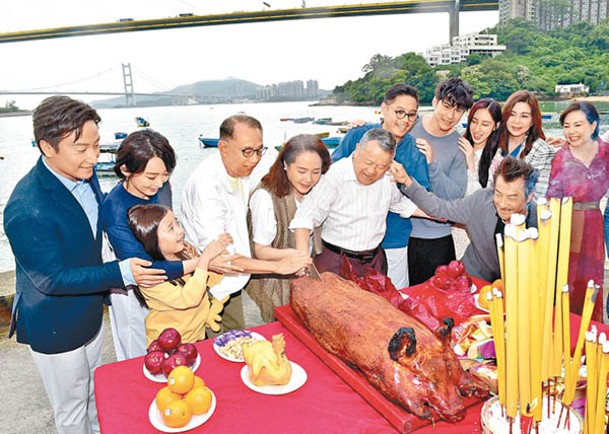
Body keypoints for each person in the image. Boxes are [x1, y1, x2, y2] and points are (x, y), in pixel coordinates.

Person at [3, 96, 165, 434]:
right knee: (72, 411)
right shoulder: (26, 207)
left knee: (94, 393)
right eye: (81, 149)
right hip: (56, 324)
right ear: (47, 147)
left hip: (89, 313)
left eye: (96, 145)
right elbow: (52, 279)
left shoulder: (82, 172)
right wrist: (120, 272)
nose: (93, 157)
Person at [99, 129, 238, 360]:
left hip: (176, 277)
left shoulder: (161, 185)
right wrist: (203, 262)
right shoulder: (115, 213)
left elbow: (169, 226)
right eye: (151, 177)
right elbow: (147, 269)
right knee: (139, 350)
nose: (159, 183)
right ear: (126, 170)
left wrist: (190, 252)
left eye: (165, 174)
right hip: (135, 285)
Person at [181, 114, 311, 334]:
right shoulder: (207, 187)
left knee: (236, 338)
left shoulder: (237, 169)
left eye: (260, 150)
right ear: (223, 148)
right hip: (208, 286)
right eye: (247, 151)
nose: (254, 159)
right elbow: (221, 259)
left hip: (232, 283)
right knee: (215, 349)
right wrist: (279, 267)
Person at [331, 83, 429, 288]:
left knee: (393, 302)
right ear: (384, 108)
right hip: (347, 244)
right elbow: (329, 176)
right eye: (399, 112)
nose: (405, 121)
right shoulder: (357, 136)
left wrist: (404, 181)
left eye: (411, 115)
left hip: (394, 241)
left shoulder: (415, 151)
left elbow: (423, 198)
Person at [290, 128, 423, 277]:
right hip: (336, 261)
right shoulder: (334, 177)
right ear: (358, 148)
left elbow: (401, 205)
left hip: (374, 262)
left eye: (381, 166)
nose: (372, 171)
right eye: (368, 162)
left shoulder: (387, 177)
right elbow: (305, 218)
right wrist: (302, 258)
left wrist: (442, 214)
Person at [393, 156, 539, 282]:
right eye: (498, 194)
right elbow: (439, 208)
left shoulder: (543, 222)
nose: (502, 203)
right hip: (472, 281)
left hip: (520, 293)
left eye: (512, 197)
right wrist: (407, 182)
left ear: (529, 196)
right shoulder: (481, 200)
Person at [246, 134, 331, 322]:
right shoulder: (266, 197)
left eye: (316, 172)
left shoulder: (318, 191)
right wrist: (295, 256)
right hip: (273, 284)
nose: (308, 179)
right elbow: (260, 250)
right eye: (301, 171)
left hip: (305, 279)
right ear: (285, 164)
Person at [128, 204, 232, 345]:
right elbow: (189, 299)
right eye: (171, 228)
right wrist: (204, 260)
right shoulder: (150, 276)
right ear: (151, 240)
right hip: (168, 344)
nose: (181, 231)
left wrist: (220, 258)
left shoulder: (184, 253)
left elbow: (208, 281)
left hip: (197, 336)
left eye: (177, 222)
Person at [547, 101, 609, 322]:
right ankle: (567, 336)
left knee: (593, 282)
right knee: (567, 281)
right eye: (566, 126)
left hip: (593, 223)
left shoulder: (606, 153)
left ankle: (592, 336)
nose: (571, 131)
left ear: (593, 126)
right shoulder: (561, 158)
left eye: (578, 125)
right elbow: (551, 196)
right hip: (567, 223)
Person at [408, 77, 473, 285]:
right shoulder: (409, 127)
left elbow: (455, 196)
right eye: (447, 106)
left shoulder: (458, 145)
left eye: (458, 111)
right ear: (435, 102)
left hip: (438, 240)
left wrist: (432, 163)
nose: (450, 116)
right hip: (402, 236)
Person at [453, 98, 502, 258]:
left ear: (496, 126)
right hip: (449, 230)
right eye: (474, 121)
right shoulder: (456, 144)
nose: (477, 129)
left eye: (485, 124)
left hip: (476, 238)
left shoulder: (497, 162)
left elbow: (482, 205)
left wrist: (471, 164)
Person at [490, 90, 556, 200]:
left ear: (532, 121)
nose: (517, 121)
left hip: (521, 213)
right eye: (512, 114)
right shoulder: (493, 142)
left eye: (524, 116)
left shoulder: (542, 152)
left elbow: (538, 196)